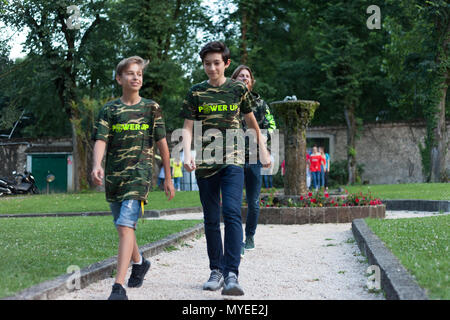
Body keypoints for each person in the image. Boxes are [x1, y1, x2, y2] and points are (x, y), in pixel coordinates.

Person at [180, 41, 271, 296]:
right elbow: (187, 127)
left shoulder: (238, 89)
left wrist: (263, 150)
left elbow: (251, 122)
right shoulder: (196, 93)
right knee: (210, 218)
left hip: (233, 158)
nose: (211, 68)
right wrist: (187, 154)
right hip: (206, 162)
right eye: (207, 63)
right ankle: (216, 270)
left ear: (226, 63)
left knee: (231, 211)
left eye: (216, 63)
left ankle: (232, 273)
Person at [91, 56, 175, 300]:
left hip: (140, 176)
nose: (136, 77)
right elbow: (100, 140)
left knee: (126, 224)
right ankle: (139, 262)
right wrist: (97, 164)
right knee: (122, 227)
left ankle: (118, 287)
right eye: (130, 73)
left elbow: (162, 144)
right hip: (114, 177)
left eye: (139, 73)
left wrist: (167, 177)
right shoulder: (110, 109)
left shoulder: (151, 108)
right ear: (120, 79)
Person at [231, 64, 277, 256]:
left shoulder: (261, 104)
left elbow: (272, 124)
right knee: (232, 201)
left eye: (247, 76)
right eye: (241, 76)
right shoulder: (228, 102)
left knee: (253, 201)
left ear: (251, 81)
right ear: (234, 79)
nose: (244, 78)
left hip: (255, 157)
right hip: (233, 157)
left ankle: (249, 236)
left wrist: (265, 138)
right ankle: (237, 240)